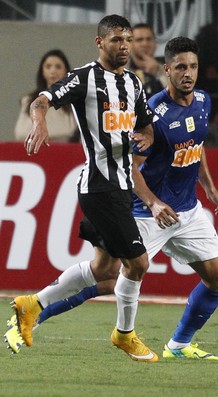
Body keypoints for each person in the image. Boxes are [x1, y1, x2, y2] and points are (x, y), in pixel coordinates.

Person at [6, 36, 218, 361]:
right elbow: (131, 167)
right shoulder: (152, 113)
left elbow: (196, 148)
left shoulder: (204, 101)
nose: (188, 73)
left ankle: (178, 346)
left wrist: (209, 188)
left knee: (217, 278)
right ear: (166, 69)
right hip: (146, 212)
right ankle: (33, 314)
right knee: (106, 277)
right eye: (181, 66)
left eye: (193, 66)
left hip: (187, 212)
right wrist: (153, 203)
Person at [5, 14, 158, 363]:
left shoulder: (134, 84)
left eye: (127, 40)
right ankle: (124, 334)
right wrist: (40, 120)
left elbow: (146, 125)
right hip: (100, 187)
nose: (123, 46)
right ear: (100, 42)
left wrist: (146, 136)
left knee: (104, 270)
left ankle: (34, 303)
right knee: (138, 265)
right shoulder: (84, 78)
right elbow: (41, 99)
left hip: (121, 187)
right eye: (116, 39)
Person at [14, 49, 79, 142]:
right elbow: (20, 134)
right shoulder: (28, 100)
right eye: (48, 67)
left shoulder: (74, 101)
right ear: (42, 71)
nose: (53, 71)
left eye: (58, 67)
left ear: (66, 71)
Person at [127, 23, 167, 98]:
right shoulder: (120, 71)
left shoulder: (170, 71)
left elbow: (178, 99)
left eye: (149, 39)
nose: (145, 44)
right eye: (139, 40)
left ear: (155, 43)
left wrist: (158, 73)